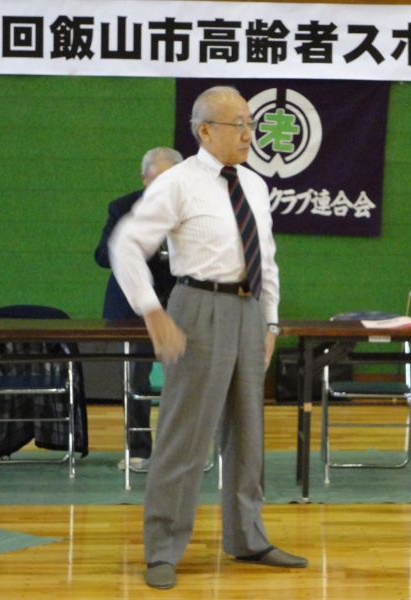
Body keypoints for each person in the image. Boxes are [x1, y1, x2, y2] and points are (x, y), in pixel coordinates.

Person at [109, 86, 307, 590]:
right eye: (238, 124)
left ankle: (248, 538)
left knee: (247, 434)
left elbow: (266, 257)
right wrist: (151, 310)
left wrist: (270, 322)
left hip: (248, 311)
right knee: (185, 436)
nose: (248, 133)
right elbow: (126, 244)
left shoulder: (254, 184)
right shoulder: (178, 183)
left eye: (250, 123)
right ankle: (162, 549)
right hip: (198, 307)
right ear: (204, 131)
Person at [94, 147, 183, 472]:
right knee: (136, 380)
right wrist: (136, 248)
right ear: (144, 179)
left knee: (186, 379)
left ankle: (183, 451)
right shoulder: (123, 208)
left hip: (181, 301)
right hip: (134, 306)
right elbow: (103, 255)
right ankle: (139, 450)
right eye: (156, 180)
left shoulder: (192, 206)